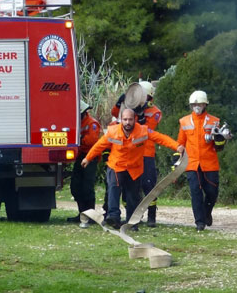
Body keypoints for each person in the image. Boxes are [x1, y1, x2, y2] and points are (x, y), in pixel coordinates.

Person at [82, 108, 184, 229]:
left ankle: (132, 223)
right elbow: (99, 145)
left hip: (134, 168)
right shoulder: (112, 131)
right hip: (116, 166)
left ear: (135, 119)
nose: (127, 122)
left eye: (130, 119)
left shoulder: (143, 131)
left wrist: (176, 146)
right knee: (113, 189)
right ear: (121, 120)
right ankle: (114, 217)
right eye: (125, 119)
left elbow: (160, 138)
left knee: (133, 196)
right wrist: (87, 158)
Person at [112, 81, 163, 227]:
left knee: (148, 185)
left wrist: (139, 119)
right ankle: (132, 217)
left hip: (146, 153)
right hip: (128, 153)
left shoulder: (154, 112)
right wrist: (119, 103)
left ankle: (151, 216)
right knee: (127, 187)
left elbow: (147, 130)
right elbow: (116, 116)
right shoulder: (129, 109)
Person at [178, 90, 222, 231]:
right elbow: (180, 144)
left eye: (200, 103)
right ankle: (200, 222)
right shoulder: (184, 121)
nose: (197, 106)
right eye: (194, 104)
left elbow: (220, 146)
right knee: (196, 192)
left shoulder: (215, 121)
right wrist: (177, 160)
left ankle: (206, 213)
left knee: (212, 192)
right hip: (192, 164)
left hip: (210, 163)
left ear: (205, 104)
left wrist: (220, 139)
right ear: (191, 105)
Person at [69, 101, 101, 227]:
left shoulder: (91, 123)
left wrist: (77, 140)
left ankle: (91, 215)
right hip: (79, 156)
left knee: (87, 187)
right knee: (75, 186)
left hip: (90, 157)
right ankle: (82, 213)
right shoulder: (75, 123)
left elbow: (91, 141)